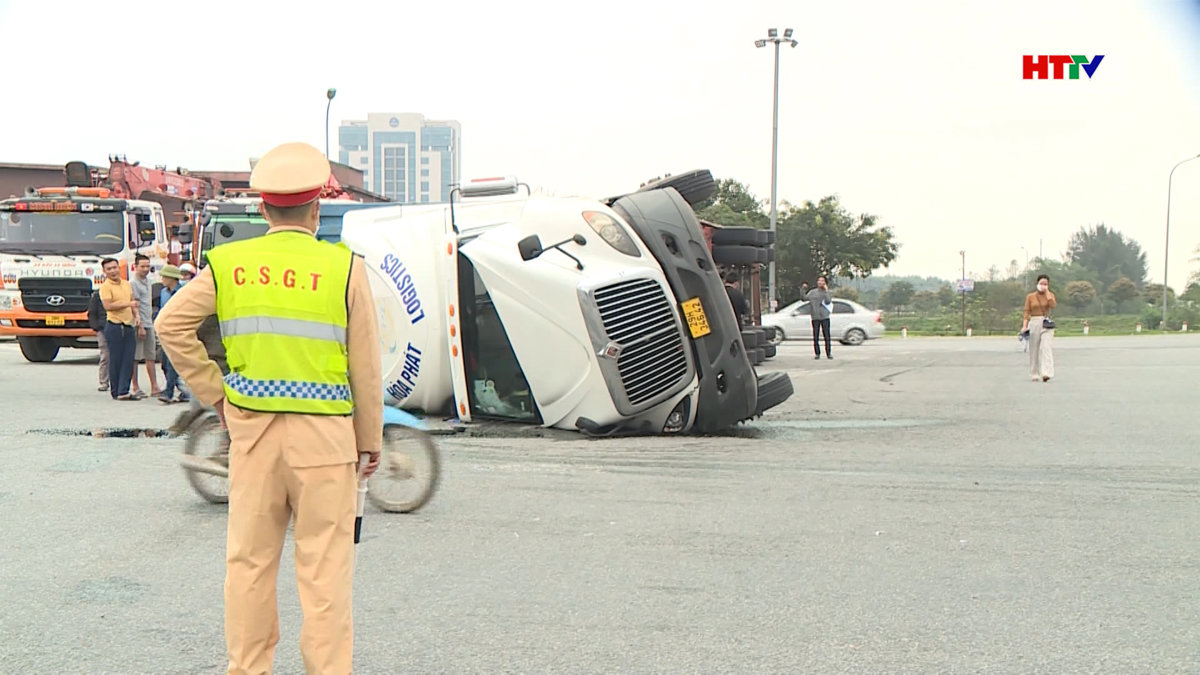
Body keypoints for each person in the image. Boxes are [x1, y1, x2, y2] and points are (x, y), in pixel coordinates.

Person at [156, 141, 383, 674]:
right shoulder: (344, 268)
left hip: (253, 435)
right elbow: (366, 366)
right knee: (325, 573)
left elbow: (170, 326)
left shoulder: (229, 264)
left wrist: (217, 391)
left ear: (262, 209)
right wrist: (369, 440)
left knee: (250, 566)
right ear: (316, 209)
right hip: (326, 441)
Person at [98, 258, 139, 400]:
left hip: (128, 326)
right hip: (114, 326)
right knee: (115, 359)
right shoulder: (105, 287)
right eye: (109, 269)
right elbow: (108, 306)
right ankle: (116, 390)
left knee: (128, 358)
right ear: (104, 272)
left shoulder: (127, 284)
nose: (113, 271)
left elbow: (133, 303)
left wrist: (137, 316)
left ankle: (123, 390)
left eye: (114, 267)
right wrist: (128, 303)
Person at [128, 254, 160, 399]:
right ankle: (135, 386)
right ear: (135, 267)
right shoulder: (133, 283)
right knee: (135, 356)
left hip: (149, 322)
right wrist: (139, 324)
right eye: (143, 266)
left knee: (151, 355)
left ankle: (154, 386)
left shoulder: (149, 281)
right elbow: (135, 305)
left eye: (148, 266)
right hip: (138, 323)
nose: (146, 269)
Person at [155, 265, 189, 404]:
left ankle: (168, 392)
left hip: (178, 330)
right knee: (165, 363)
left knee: (172, 363)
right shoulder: (163, 292)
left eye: (164, 277)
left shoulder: (183, 292)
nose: (162, 279)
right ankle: (184, 391)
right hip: (165, 330)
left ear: (171, 278)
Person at [1021, 273, 1057, 382]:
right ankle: (1034, 373)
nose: (1043, 285)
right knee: (1034, 349)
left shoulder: (1050, 295)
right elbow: (1027, 312)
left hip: (1045, 323)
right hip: (1034, 321)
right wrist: (1024, 326)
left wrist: (1047, 294)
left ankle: (1047, 372)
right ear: (1037, 283)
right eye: (1041, 283)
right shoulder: (1030, 296)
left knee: (1046, 347)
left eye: (1045, 284)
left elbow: (1053, 305)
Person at [807, 275, 834, 359]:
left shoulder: (827, 292)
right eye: (819, 280)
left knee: (827, 336)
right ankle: (817, 353)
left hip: (825, 316)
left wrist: (826, 291)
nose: (820, 282)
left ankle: (828, 353)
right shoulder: (812, 292)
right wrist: (802, 289)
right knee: (815, 336)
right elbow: (804, 298)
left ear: (825, 282)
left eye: (822, 281)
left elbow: (828, 301)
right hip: (815, 317)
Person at [88, 288, 109, 392]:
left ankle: (117, 381)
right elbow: (92, 312)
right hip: (102, 328)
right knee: (105, 355)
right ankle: (104, 382)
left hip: (117, 326)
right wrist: (96, 327)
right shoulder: (98, 294)